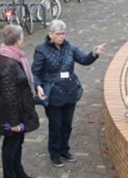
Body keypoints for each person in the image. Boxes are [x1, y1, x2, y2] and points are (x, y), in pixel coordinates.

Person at [32, 19, 106, 168]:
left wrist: (94, 53)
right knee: (56, 125)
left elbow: (84, 60)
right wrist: (38, 86)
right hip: (52, 94)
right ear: (51, 35)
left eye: (63, 33)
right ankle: (54, 153)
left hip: (69, 92)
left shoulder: (70, 47)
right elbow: (35, 72)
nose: (61, 36)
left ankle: (64, 150)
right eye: (58, 34)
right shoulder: (41, 50)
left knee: (67, 124)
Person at [0, 25, 40, 178]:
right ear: (15, 41)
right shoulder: (8, 64)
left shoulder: (15, 57)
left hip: (20, 110)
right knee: (11, 145)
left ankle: (18, 171)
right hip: (12, 115)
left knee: (18, 143)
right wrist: (14, 122)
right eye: (22, 37)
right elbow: (8, 96)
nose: (24, 40)